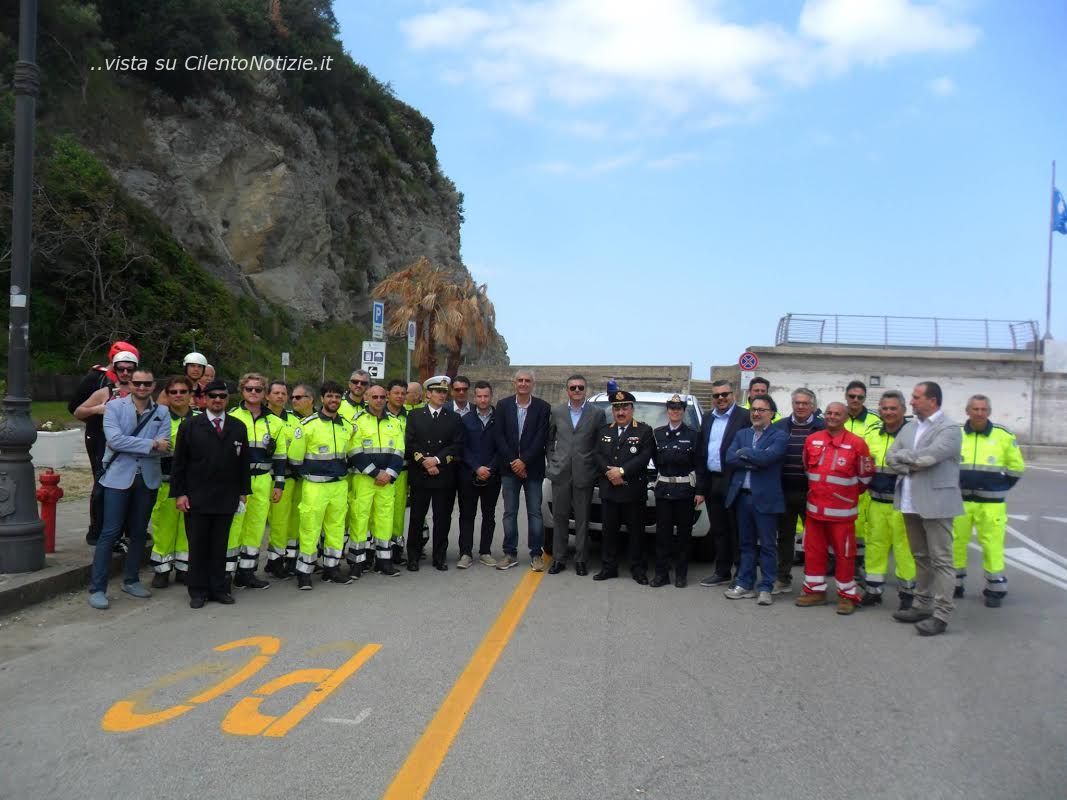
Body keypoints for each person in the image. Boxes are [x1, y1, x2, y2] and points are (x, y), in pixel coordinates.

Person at [87, 367, 171, 610]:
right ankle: (98, 588)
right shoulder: (114, 407)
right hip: (117, 478)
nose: (142, 388)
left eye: (147, 384)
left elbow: (164, 446)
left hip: (147, 478)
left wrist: (149, 444)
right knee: (110, 532)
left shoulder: (162, 412)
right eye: (138, 383)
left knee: (137, 532)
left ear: (153, 386)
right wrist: (151, 443)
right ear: (130, 384)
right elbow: (114, 440)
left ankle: (131, 579)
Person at [886, 381, 964, 636]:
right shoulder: (910, 427)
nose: (912, 401)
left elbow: (929, 458)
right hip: (910, 501)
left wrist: (907, 460)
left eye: (917, 397)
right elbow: (890, 457)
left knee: (942, 560)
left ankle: (941, 614)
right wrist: (912, 461)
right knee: (920, 557)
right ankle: (922, 605)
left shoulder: (950, 429)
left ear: (933, 400)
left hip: (937, 504)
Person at [171, 379, 251, 608]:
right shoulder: (190, 426)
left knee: (220, 546)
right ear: (204, 398)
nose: (217, 400)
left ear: (227, 399)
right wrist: (180, 494)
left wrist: (243, 492)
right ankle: (197, 591)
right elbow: (180, 463)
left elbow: (243, 462)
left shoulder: (237, 426)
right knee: (197, 546)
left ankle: (218, 588)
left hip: (226, 496)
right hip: (197, 497)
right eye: (213, 396)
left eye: (222, 396)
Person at [795, 402, 874, 615]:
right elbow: (806, 469)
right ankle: (815, 592)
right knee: (813, 552)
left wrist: (843, 496)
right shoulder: (812, 440)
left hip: (842, 514)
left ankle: (847, 596)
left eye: (837, 414)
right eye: (829, 413)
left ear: (846, 417)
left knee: (845, 555)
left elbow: (865, 477)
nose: (831, 416)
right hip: (814, 512)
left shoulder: (858, 444)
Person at [951, 394, 1025, 607]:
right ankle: (956, 585)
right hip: (961, 501)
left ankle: (995, 590)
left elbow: (1017, 467)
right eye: (975, 409)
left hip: (991, 504)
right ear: (967, 411)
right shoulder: (956, 435)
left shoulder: (1002, 435)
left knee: (992, 546)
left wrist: (1000, 487)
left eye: (983, 409)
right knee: (956, 543)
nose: (979, 413)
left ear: (989, 412)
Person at [287, 381, 356, 589]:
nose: (334, 400)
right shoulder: (308, 425)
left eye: (337, 397)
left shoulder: (346, 426)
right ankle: (304, 572)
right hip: (315, 486)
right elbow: (295, 458)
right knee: (310, 529)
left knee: (335, 529)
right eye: (330, 396)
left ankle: (331, 569)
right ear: (322, 399)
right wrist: (311, 474)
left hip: (339, 485)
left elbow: (350, 454)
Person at [722, 396, 788, 605]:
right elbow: (730, 458)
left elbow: (769, 458)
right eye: (753, 409)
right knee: (746, 544)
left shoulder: (780, 436)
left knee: (767, 545)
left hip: (766, 499)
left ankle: (766, 587)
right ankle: (745, 583)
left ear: (771, 413)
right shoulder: (742, 434)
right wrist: (754, 457)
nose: (756, 413)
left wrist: (746, 455)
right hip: (743, 498)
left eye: (761, 410)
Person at [73, 345, 139, 548]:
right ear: (115, 368)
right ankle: (97, 530)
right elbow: (77, 411)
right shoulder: (104, 389)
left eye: (130, 369)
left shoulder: (141, 390)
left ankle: (128, 529)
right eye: (121, 369)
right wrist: (98, 409)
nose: (126, 373)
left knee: (132, 487)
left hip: (131, 445)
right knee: (103, 486)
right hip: (105, 442)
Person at [227, 373, 288, 590]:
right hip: (235, 482)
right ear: (241, 391)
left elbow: (280, 457)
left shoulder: (276, 422)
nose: (253, 393)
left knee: (255, 528)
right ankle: (226, 574)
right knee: (233, 527)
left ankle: (247, 572)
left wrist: (279, 484)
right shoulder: (231, 417)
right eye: (249, 389)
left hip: (262, 480)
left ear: (265, 394)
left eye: (258, 389)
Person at [593, 390, 655, 583]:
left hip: (633, 491)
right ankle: (608, 567)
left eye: (624, 408)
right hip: (610, 490)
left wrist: (621, 472)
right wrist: (610, 473)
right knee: (609, 532)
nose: (620, 412)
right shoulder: (604, 431)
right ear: (613, 410)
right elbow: (597, 455)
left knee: (636, 533)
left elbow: (644, 457)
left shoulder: (644, 431)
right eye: (617, 408)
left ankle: (638, 569)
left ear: (632, 410)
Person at [862, 390, 916, 610]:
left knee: (904, 549)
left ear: (903, 410)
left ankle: (907, 594)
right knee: (875, 546)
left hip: (902, 503)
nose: (889, 412)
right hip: (876, 501)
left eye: (893, 408)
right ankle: (873, 591)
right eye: (884, 408)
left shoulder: (914, 434)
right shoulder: (873, 432)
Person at [493, 369, 551, 571]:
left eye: (527, 381)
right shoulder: (503, 405)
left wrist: (524, 461)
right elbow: (498, 436)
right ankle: (510, 553)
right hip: (509, 470)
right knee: (510, 512)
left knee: (535, 512)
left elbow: (541, 437)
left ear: (533, 384)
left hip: (533, 469)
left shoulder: (543, 407)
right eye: (520, 380)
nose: (523, 383)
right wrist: (514, 462)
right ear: (514, 382)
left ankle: (536, 554)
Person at [405, 375, 464, 571]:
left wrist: (437, 460)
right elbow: (410, 443)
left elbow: (456, 445)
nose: (441, 395)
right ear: (428, 394)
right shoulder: (414, 416)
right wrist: (424, 461)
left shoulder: (454, 418)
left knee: (442, 518)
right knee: (416, 517)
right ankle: (413, 556)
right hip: (421, 474)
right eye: (438, 391)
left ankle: (439, 556)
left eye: (444, 392)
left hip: (443, 474)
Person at [546, 374, 603, 576]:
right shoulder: (557, 411)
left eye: (580, 387)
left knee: (582, 518)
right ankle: (559, 559)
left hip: (584, 473)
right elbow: (549, 439)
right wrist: (552, 459)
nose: (577, 391)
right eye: (573, 388)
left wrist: (594, 467)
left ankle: (581, 559)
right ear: (567, 390)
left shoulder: (596, 414)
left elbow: (599, 444)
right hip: (560, 472)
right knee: (560, 517)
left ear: (585, 390)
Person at [697, 380, 752, 587]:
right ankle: (722, 571)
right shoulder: (707, 418)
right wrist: (701, 487)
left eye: (725, 394)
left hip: (735, 481)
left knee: (736, 529)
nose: (721, 399)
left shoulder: (744, 417)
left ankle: (741, 573)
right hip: (713, 480)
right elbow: (702, 453)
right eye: (716, 395)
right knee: (718, 530)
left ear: (734, 394)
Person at [770, 388, 826, 594]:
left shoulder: (823, 428)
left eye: (805, 403)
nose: (801, 407)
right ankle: (783, 578)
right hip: (784, 490)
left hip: (811, 492)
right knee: (784, 537)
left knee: (813, 539)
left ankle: (812, 582)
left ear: (812, 405)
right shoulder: (779, 427)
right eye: (797, 403)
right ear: (792, 404)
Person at [347, 385, 405, 578]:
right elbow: (354, 450)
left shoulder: (395, 423)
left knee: (385, 519)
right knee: (360, 518)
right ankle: (357, 562)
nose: (379, 400)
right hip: (364, 479)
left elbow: (399, 450)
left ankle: (384, 562)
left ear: (386, 398)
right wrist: (375, 473)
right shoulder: (357, 421)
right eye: (375, 397)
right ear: (366, 397)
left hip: (387, 481)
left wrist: (389, 473)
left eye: (382, 397)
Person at [651, 395, 704, 587]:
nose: (675, 411)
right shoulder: (657, 434)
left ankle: (681, 574)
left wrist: (700, 490)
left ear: (683, 411)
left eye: (679, 409)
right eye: (672, 408)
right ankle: (661, 574)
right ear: (667, 411)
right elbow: (656, 461)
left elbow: (699, 465)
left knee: (683, 535)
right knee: (663, 535)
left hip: (684, 491)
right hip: (664, 489)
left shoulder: (693, 435)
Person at [148, 375, 196, 588]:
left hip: (192, 484)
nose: (178, 396)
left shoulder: (199, 420)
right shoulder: (157, 418)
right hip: (165, 482)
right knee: (163, 527)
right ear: (166, 395)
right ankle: (162, 570)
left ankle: (184, 569)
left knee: (188, 528)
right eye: (173, 392)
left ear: (190, 395)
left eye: (182, 392)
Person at [457, 381, 501, 568]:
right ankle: (465, 553)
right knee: (467, 515)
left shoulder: (500, 419)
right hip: (469, 475)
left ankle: (485, 551)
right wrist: (476, 468)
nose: (483, 400)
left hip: (492, 475)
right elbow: (462, 447)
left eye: (486, 396)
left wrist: (489, 468)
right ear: (474, 398)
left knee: (489, 515)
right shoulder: (465, 419)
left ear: (491, 397)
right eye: (479, 396)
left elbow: (503, 447)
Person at [844, 380, 881, 582]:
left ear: (864, 398)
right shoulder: (837, 416)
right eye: (852, 396)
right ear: (846, 397)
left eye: (860, 397)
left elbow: (873, 452)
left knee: (860, 527)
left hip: (862, 483)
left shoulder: (875, 420)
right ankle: (836, 561)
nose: (855, 400)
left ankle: (858, 564)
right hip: (839, 481)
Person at [264, 380, 300, 580]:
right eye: (276, 393)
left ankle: (277, 561)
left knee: (283, 522)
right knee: (264, 522)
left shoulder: (294, 421)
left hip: (287, 478)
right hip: (262, 477)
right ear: (267, 396)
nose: (280, 396)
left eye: (283, 393)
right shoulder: (260, 418)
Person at [385, 379, 411, 565]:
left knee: (398, 512)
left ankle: (395, 549)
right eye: (396, 393)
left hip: (402, 472)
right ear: (388, 394)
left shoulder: (410, 416)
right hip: (380, 473)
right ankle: (377, 551)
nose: (400, 396)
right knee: (379, 513)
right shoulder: (377, 414)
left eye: (403, 393)